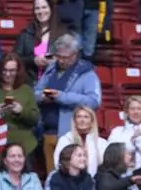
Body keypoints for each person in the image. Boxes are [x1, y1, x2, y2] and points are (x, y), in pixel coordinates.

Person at [36, 33, 102, 172]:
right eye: (58, 56)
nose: (60, 60)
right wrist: (43, 97)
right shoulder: (51, 69)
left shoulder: (87, 74)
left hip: (69, 132)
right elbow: (35, 92)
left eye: (64, 57)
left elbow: (94, 101)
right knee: (51, 175)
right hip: (47, 131)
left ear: (75, 54)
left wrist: (62, 97)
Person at [107, 95, 141, 170]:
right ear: (127, 112)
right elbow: (111, 157)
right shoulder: (116, 132)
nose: (136, 112)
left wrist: (139, 140)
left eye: (139, 109)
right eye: (132, 109)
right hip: (122, 177)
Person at [15, 0, 66, 78]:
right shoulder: (26, 33)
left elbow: (70, 58)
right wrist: (33, 60)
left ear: (51, 9)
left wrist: (55, 60)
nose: (41, 11)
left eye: (44, 7)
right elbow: (16, 58)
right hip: (30, 82)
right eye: (37, 8)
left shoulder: (62, 33)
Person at [51, 104, 106, 177]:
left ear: (92, 122)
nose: (82, 120)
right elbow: (58, 163)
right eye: (79, 116)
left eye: (86, 117)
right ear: (74, 120)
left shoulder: (101, 143)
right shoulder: (65, 140)